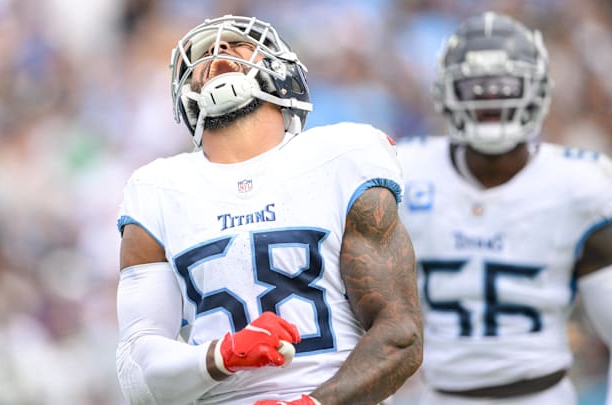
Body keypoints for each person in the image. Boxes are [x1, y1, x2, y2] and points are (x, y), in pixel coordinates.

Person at [114, 14, 423, 405]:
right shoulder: (157, 189)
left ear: (280, 68)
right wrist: (220, 355)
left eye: (237, 44)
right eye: (204, 52)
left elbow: (401, 336)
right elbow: (136, 373)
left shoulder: (343, 156)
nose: (218, 51)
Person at [396, 11, 612, 405]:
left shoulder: (582, 185)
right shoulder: (405, 172)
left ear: (539, 89)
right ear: (447, 92)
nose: (491, 98)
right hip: (437, 395)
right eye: (476, 89)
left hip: (542, 394)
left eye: (503, 87)